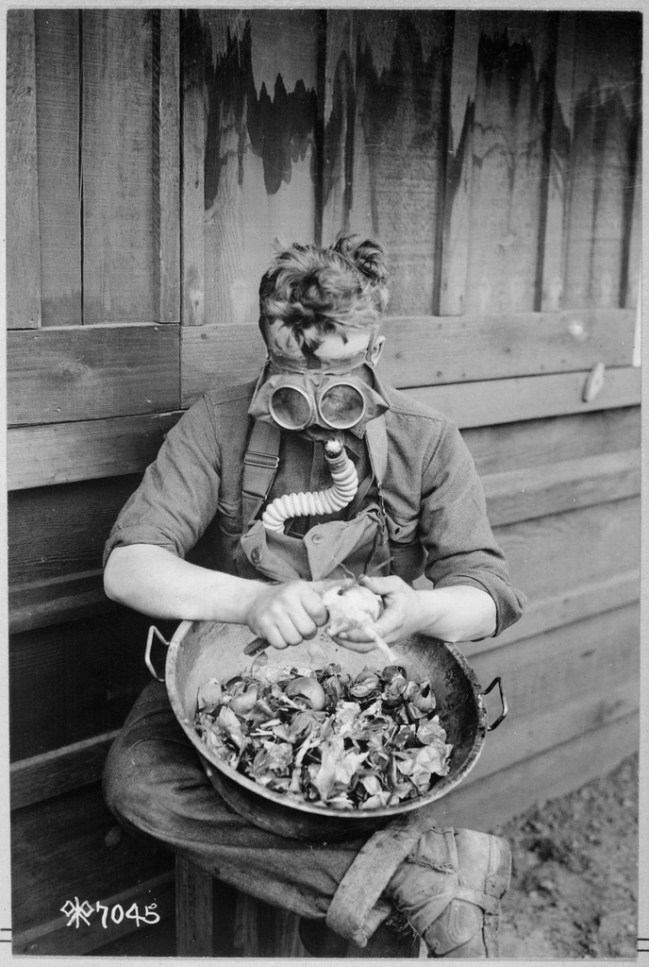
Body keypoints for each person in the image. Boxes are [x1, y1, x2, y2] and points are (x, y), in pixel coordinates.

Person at [102, 234, 525, 957]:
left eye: (336, 374)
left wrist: (419, 609)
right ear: (267, 342)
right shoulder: (216, 422)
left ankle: (380, 892)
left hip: (374, 679)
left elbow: (488, 594)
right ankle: (419, 878)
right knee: (137, 786)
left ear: (376, 348)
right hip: (237, 670)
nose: (316, 403)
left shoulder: (427, 440)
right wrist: (248, 602)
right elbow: (127, 566)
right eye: (291, 374)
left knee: (363, 812)